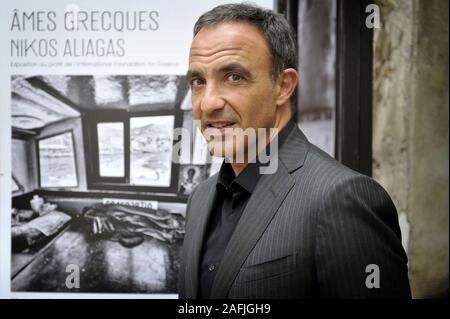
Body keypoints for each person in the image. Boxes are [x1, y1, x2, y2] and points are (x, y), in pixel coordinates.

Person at [178, 3, 411, 299]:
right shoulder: (200, 199)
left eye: (234, 77)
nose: (208, 103)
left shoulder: (342, 198)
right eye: (198, 81)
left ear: (283, 86)